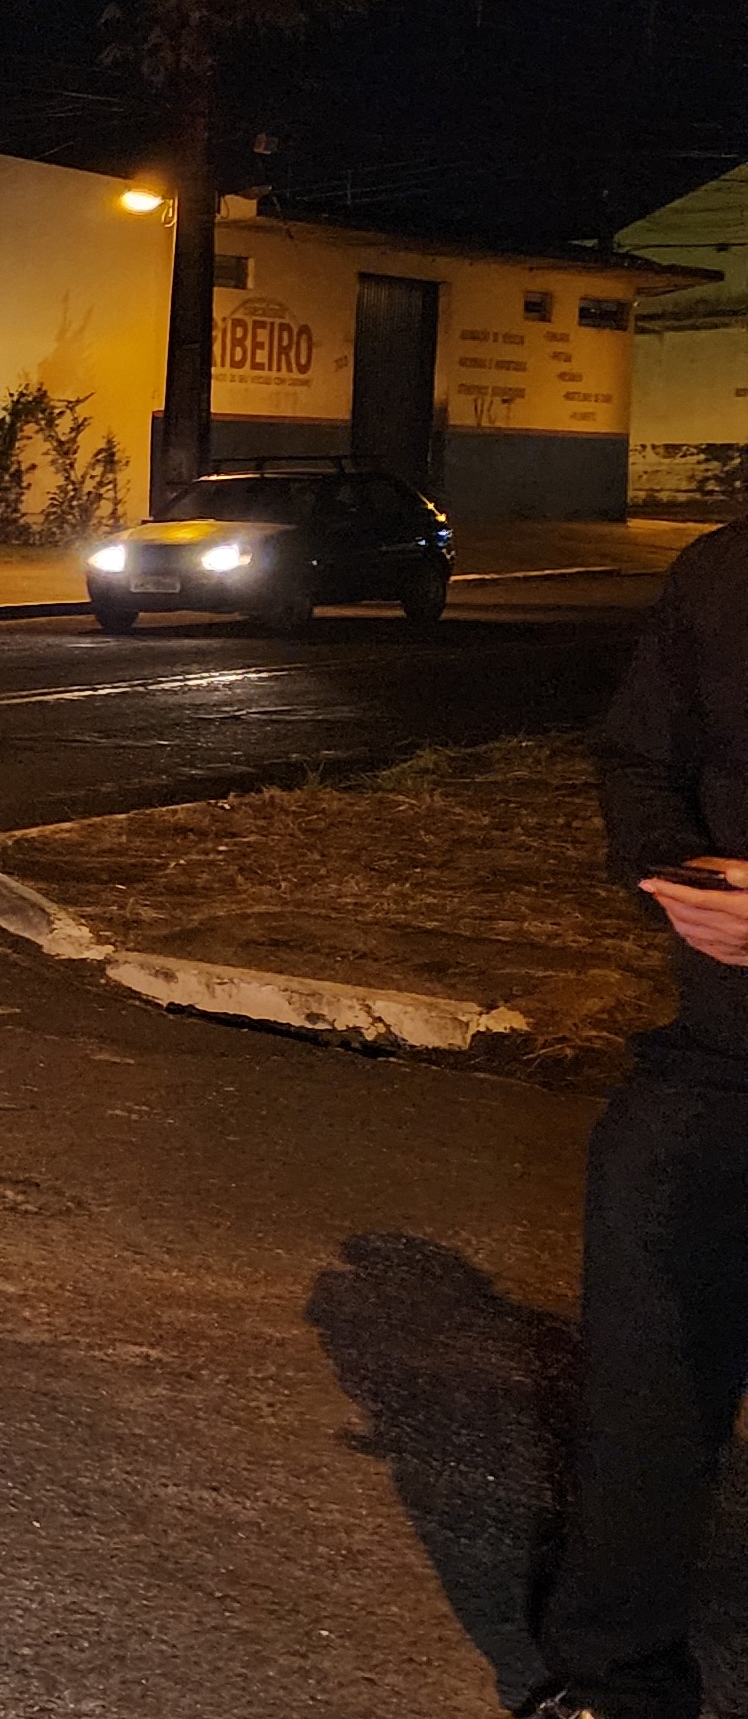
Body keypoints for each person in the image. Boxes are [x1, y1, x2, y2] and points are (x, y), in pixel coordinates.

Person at [545, 522, 748, 1719]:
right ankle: (615, 1674)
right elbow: (635, 756)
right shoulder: (725, 573)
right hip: (725, 1044)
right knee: (646, 1339)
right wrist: (679, 875)